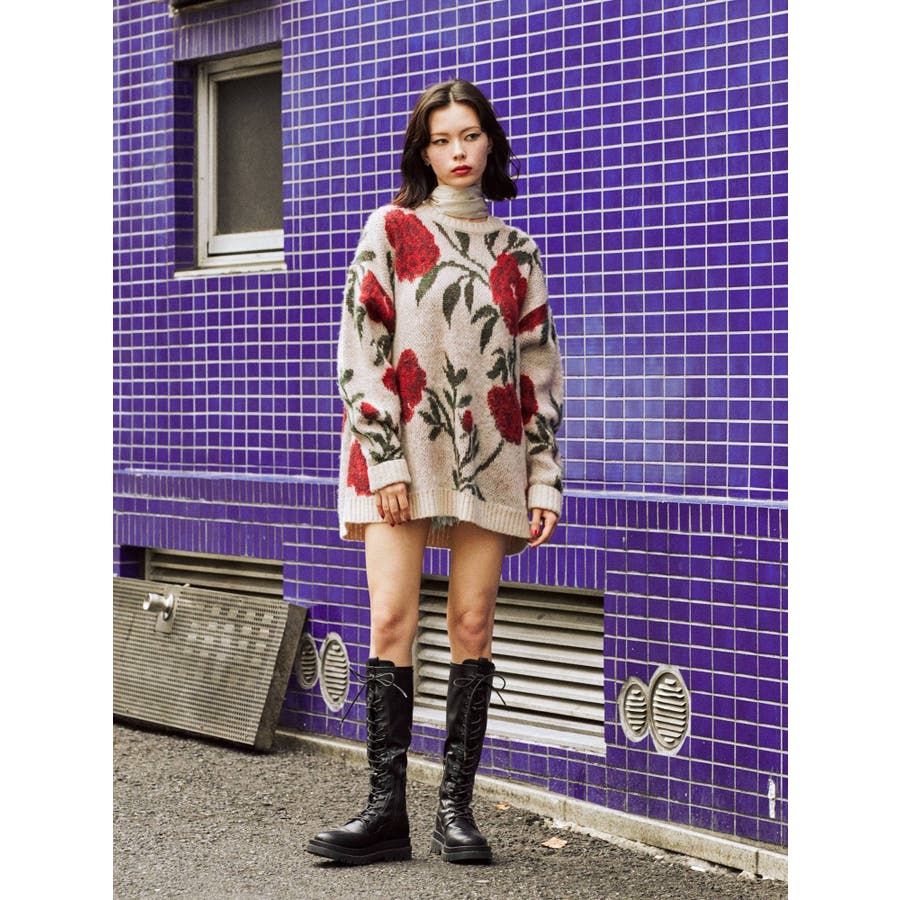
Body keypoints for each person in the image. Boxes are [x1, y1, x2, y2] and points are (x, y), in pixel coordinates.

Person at [307, 79, 564, 867]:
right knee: (390, 622)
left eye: (470, 136)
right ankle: (386, 811)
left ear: (491, 144)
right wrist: (384, 455)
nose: (458, 152)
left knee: (472, 625)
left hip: (492, 457)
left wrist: (543, 477)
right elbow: (363, 351)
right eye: (441, 139)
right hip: (399, 454)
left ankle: (456, 811)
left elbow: (537, 373)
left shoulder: (517, 250)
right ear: (423, 151)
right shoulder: (391, 229)